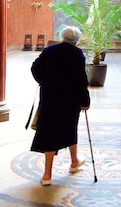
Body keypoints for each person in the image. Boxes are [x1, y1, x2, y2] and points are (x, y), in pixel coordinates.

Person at [30, 25, 91, 186]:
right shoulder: (77, 54)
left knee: (49, 132)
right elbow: (81, 79)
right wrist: (85, 101)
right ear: (76, 41)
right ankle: (73, 162)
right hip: (70, 100)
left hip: (50, 98)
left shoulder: (49, 51)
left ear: (63, 37)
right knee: (70, 128)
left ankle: (47, 175)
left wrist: (44, 82)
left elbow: (35, 68)